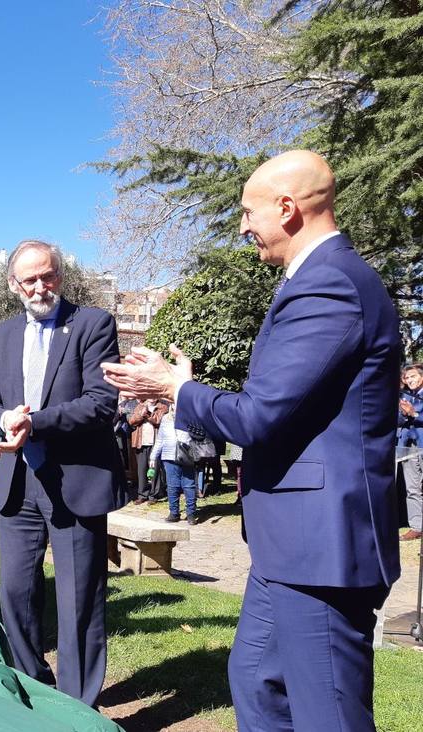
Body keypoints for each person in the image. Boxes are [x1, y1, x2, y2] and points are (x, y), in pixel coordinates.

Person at [102, 150, 401, 731]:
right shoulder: (315, 280)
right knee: (258, 681)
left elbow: (259, 417)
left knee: (327, 714)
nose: (242, 225)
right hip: (289, 546)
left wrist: (177, 388)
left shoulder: (330, 284)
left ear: (287, 208)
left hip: (321, 548)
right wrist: (180, 392)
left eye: (247, 211)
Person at [0, 239, 126, 708]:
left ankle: (78, 705)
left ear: (60, 275)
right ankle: (35, 690)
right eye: (30, 279)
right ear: (12, 284)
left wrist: (33, 423)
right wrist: (3, 420)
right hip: (18, 483)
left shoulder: (92, 324)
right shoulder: (1, 334)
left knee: (79, 600)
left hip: (76, 482)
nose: (41, 286)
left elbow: (101, 404)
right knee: (16, 592)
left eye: (49, 276)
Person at [147, 405, 197, 524]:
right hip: (168, 456)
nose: (176, 406)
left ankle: (191, 514)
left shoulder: (190, 416)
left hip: (186, 455)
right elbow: (160, 439)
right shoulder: (165, 418)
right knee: (172, 486)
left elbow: (195, 436)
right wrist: (153, 456)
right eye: (174, 403)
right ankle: (174, 513)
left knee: (189, 485)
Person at [397, 364, 423, 541]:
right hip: (409, 447)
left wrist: (414, 414)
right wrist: (404, 414)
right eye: (407, 378)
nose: (409, 380)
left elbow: (416, 416)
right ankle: (417, 527)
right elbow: (399, 421)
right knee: (412, 488)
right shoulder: (406, 397)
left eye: (413, 376)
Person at [128, 399, 167, 504]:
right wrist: (141, 415)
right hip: (141, 443)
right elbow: (132, 421)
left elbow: (158, 422)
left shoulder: (162, 407)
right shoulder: (140, 406)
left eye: (153, 395)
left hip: (155, 443)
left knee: (155, 470)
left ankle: (154, 495)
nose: (151, 397)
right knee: (141, 470)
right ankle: (142, 494)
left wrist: (147, 416)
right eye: (149, 395)